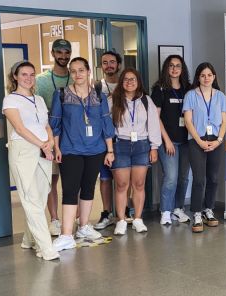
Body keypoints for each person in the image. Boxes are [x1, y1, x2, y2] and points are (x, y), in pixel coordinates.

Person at [49, 57, 115, 251]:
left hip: (95, 149)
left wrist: (110, 150)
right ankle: (66, 234)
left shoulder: (99, 96)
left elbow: (105, 123)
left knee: (88, 188)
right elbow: (55, 124)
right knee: (70, 190)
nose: (78, 74)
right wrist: (57, 148)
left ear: (88, 72)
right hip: (70, 150)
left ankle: (84, 226)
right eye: (73, 71)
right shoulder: (61, 94)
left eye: (81, 70)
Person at [3, 61, 60, 260]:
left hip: (44, 149)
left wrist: (50, 142)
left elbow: (46, 125)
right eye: (24, 74)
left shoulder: (39, 99)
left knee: (42, 194)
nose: (28, 78)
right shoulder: (10, 100)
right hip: (23, 150)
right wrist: (41, 144)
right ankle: (46, 248)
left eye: (31, 74)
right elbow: (19, 128)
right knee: (31, 199)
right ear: (15, 77)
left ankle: (29, 239)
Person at [110, 68, 162, 235]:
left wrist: (154, 147)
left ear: (138, 81)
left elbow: (153, 124)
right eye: (126, 79)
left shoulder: (146, 100)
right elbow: (107, 125)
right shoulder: (113, 100)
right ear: (121, 82)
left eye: (133, 79)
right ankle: (121, 221)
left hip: (141, 145)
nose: (129, 82)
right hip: (120, 145)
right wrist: (109, 149)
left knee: (139, 184)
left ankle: (138, 219)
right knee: (121, 185)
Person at [183, 62, 226, 233]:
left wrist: (218, 140)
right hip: (197, 140)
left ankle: (208, 210)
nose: (206, 78)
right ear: (198, 77)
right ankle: (196, 212)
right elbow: (188, 121)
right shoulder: (191, 95)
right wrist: (200, 141)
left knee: (214, 178)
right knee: (199, 179)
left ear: (214, 77)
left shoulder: (220, 96)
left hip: (216, 140)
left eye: (209, 75)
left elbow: (224, 121)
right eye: (203, 75)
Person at [35, 38, 72, 236]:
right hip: (49, 137)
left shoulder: (75, 78)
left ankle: (72, 218)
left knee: (72, 180)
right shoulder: (40, 81)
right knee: (52, 180)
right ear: (53, 53)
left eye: (67, 53)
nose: (63, 56)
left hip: (72, 138)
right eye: (59, 52)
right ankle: (55, 220)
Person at [152, 55, 192, 225]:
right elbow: (156, 117)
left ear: (182, 69)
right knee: (171, 177)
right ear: (166, 68)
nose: (175, 69)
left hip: (186, 141)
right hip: (168, 141)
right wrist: (166, 140)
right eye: (171, 66)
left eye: (178, 66)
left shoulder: (189, 89)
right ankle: (165, 211)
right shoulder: (159, 89)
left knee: (183, 178)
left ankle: (178, 209)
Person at [94, 51, 121, 230]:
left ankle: (124, 211)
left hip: (125, 138)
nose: (109, 65)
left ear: (118, 64)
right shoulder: (96, 86)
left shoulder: (127, 83)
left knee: (122, 178)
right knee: (105, 178)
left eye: (112, 62)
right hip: (104, 138)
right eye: (105, 62)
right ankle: (106, 213)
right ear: (101, 66)